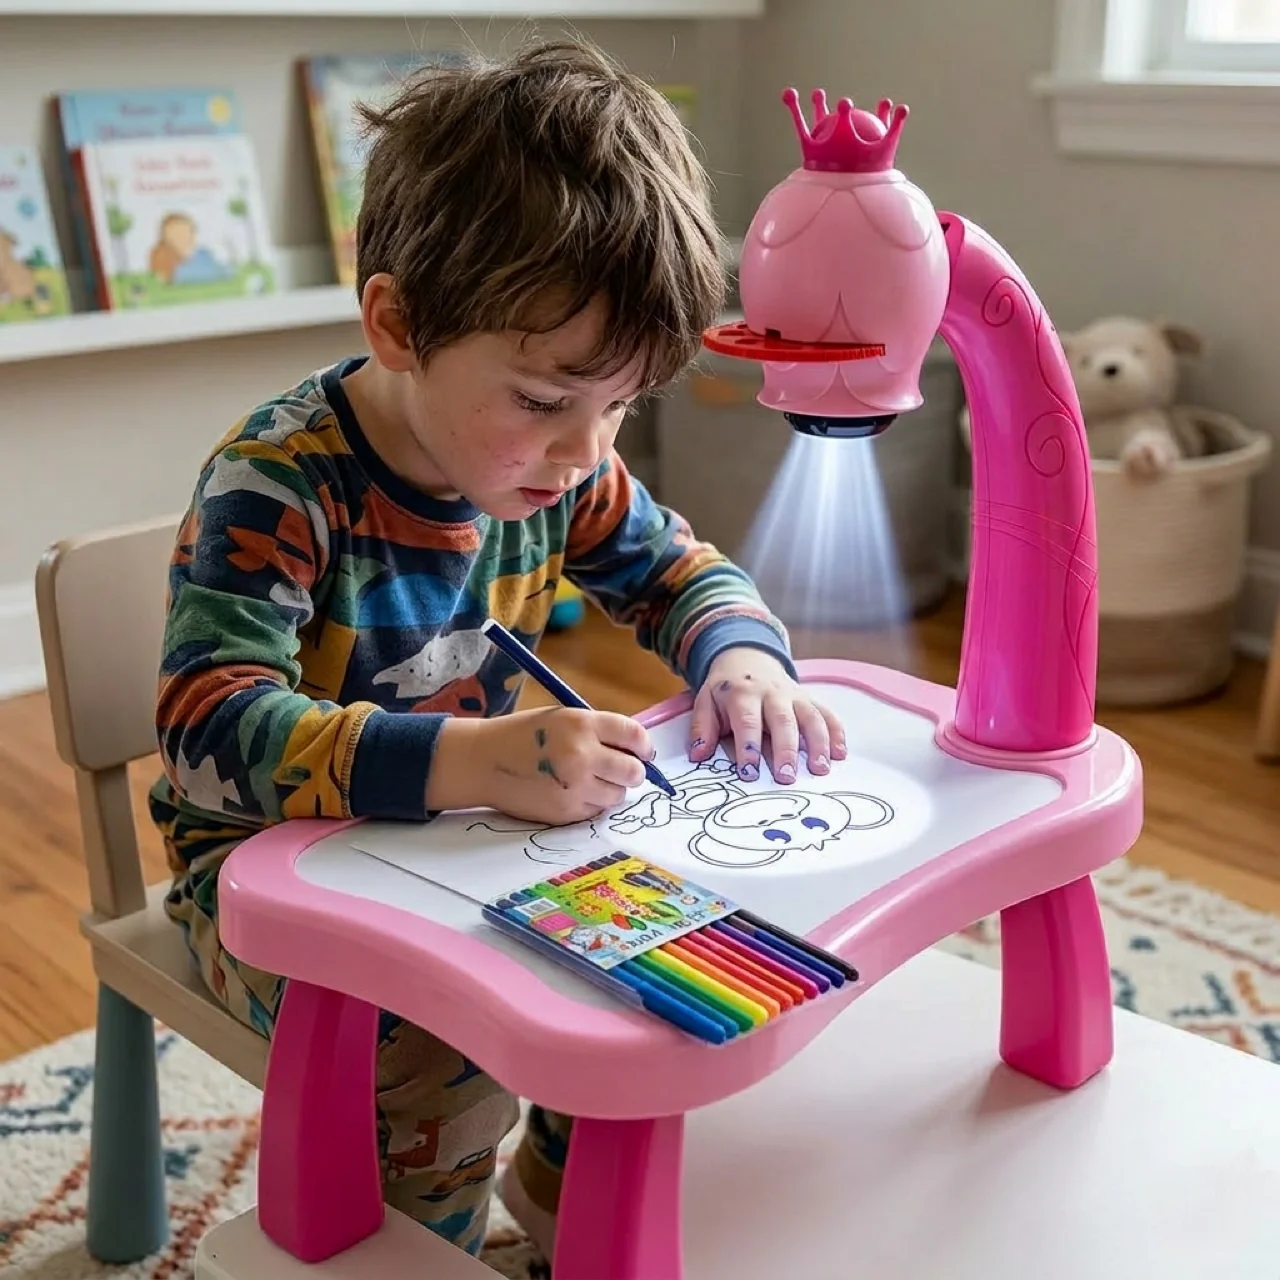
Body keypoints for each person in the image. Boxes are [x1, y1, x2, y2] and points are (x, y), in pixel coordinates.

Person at [149, 35, 847, 1261]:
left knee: (666, 959)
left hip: (470, 843)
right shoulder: (277, 483)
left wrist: (741, 655)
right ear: (399, 323)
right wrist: (469, 761)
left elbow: (680, 567)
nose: (584, 448)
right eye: (542, 399)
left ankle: (564, 1197)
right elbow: (208, 732)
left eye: (617, 403)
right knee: (428, 1033)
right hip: (267, 872)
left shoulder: (555, 464)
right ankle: (424, 1247)